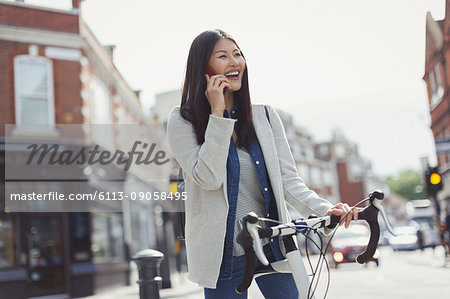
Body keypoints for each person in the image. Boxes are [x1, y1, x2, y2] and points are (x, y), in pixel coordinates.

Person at [167, 29, 359, 299]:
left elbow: (289, 183)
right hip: (223, 255)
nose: (234, 62)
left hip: (272, 245)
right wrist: (218, 115)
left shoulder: (266, 117)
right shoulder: (182, 121)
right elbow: (208, 178)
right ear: (204, 68)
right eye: (222, 56)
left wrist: (328, 210)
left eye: (238, 54)